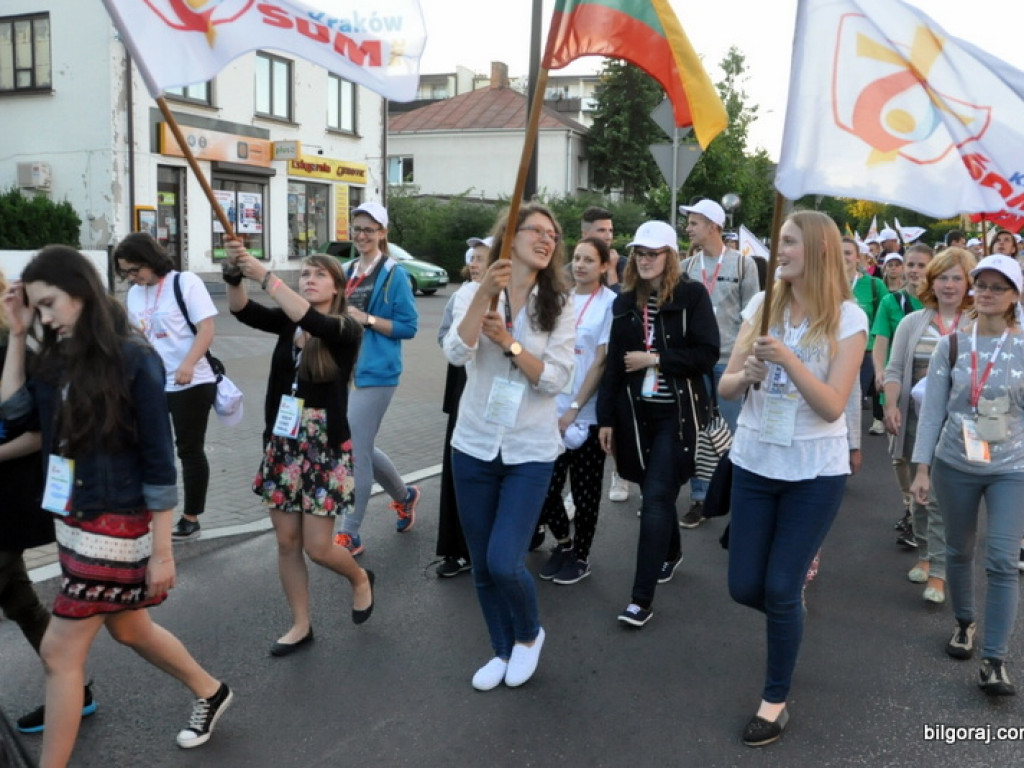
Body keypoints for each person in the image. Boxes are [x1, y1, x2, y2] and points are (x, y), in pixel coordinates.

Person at [0, 247, 232, 766]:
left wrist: (163, 552)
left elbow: (159, 462)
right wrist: (17, 334)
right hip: (73, 519)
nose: (45, 318)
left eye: (49, 304)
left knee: (60, 652)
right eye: (37, 308)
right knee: (130, 628)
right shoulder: (57, 356)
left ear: (81, 291)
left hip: (117, 524)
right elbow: (13, 412)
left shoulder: (134, 358)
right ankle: (211, 691)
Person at [718, 210, 867, 747]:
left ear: (820, 251)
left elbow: (832, 405)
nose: (778, 250)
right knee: (744, 587)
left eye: (789, 242)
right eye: (779, 241)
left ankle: (774, 702)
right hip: (755, 461)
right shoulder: (762, 305)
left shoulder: (848, 318)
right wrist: (747, 374)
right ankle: (789, 616)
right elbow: (725, 388)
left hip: (814, 470)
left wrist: (786, 359)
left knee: (781, 586)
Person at [443, 202, 574, 690]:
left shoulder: (559, 303)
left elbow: (555, 379)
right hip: (473, 444)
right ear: (510, 236)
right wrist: (484, 296)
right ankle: (500, 648)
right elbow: (456, 352)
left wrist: (510, 343)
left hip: (529, 451)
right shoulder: (473, 292)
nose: (547, 240)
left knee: (504, 560)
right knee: (481, 564)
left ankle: (528, 635)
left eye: (553, 235)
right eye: (536, 230)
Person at [223, 243, 375, 653]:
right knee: (287, 542)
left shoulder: (346, 328)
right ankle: (300, 624)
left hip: (324, 448)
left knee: (319, 548)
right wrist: (235, 274)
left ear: (338, 287)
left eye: (319, 274)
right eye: (305, 274)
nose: (309, 279)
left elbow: (312, 320)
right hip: (283, 444)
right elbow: (241, 310)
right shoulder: (289, 324)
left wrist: (265, 276)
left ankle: (360, 578)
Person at [910, 254, 1024, 697]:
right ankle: (964, 623)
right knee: (959, 549)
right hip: (955, 462)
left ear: (1015, 296)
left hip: (1011, 468)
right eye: (983, 285)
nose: (987, 293)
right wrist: (922, 468)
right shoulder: (953, 345)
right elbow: (933, 411)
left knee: (1002, 560)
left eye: (998, 287)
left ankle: (994, 660)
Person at [597, 220, 719, 628]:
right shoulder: (623, 302)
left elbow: (707, 353)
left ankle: (640, 600)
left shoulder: (691, 295)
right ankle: (671, 552)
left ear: (670, 257)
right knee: (658, 494)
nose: (645, 260)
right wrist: (606, 419)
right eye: (640, 253)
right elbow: (614, 367)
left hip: (676, 416)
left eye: (653, 253)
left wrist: (656, 359)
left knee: (653, 499)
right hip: (635, 416)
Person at [0, 267, 94, 736]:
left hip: (11, 499)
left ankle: (72, 688)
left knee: (129, 626)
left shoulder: (18, 351)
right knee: (19, 599)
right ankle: (75, 689)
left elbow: (39, 432)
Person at [883, 247, 975, 605]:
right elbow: (894, 369)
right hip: (916, 421)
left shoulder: (978, 323)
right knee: (919, 496)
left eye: (956, 278)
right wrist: (891, 405)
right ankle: (924, 552)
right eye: (942, 278)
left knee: (940, 498)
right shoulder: (912, 323)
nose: (949, 285)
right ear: (931, 283)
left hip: (960, 427)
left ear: (968, 283)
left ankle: (939, 571)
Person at [114, 233, 218, 540]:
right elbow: (135, 336)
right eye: (126, 272)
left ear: (150, 259)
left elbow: (206, 328)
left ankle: (191, 517)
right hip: (152, 383)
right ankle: (146, 512)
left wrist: (188, 363)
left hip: (191, 381)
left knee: (189, 449)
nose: (131, 277)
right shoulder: (134, 294)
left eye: (134, 269)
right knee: (150, 447)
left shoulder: (185, 282)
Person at [333, 201, 420, 555]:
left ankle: (349, 531)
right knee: (361, 445)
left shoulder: (395, 274)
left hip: (377, 373)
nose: (362, 236)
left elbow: (408, 327)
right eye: (357, 229)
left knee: (355, 451)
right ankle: (405, 495)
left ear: (383, 233)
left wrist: (366, 319)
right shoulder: (344, 270)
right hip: (343, 371)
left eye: (369, 229)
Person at [537, 236, 616, 585]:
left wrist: (574, 408)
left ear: (604, 266)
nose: (580, 265)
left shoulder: (610, 304)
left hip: (586, 414)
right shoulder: (562, 299)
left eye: (589, 260)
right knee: (545, 487)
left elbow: (600, 362)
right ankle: (563, 544)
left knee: (585, 495)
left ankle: (581, 555)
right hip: (549, 411)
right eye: (578, 258)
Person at [680, 199, 759, 527]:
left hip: (729, 362)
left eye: (694, 223)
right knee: (698, 430)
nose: (688, 228)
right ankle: (700, 498)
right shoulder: (686, 267)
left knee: (731, 430)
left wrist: (747, 361)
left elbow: (753, 316)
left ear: (713, 226)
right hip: (696, 363)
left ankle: (734, 496)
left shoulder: (743, 265)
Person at [434, 237, 491, 578]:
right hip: (464, 389)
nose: (474, 263)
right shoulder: (462, 295)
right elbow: (445, 337)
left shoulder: (520, 297)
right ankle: (457, 549)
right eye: (473, 257)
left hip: (501, 399)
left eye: (482, 258)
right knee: (459, 467)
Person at [871, 243, 934, 541]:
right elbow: (881, 340)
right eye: (911, 264)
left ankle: (926, 510)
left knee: (928, 453)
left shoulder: (939, 300)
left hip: (931, 391)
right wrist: (880, 371)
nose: (915, 270)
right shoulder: (891, 302)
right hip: (899, 387)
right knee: (900, 455)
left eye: (922, 265)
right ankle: (910, 507)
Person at [580, 206, 631, 504]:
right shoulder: (574, 268)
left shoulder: (626, 265)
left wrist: (611, 271)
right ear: (585, 233)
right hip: (583, 361)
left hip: (616, 360)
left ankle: (619, 474)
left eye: (611, 230)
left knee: (613, 419)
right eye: (602, 230)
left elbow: (625, 306)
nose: (609, 236)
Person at [842, 236, 886, 437]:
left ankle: (851, 442)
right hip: (833, 351)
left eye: (847, 253)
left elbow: (884, 319)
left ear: (858, 257)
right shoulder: (825, 284)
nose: (843, 257)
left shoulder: (874, 285)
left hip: (865, 351)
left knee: (852, 398)